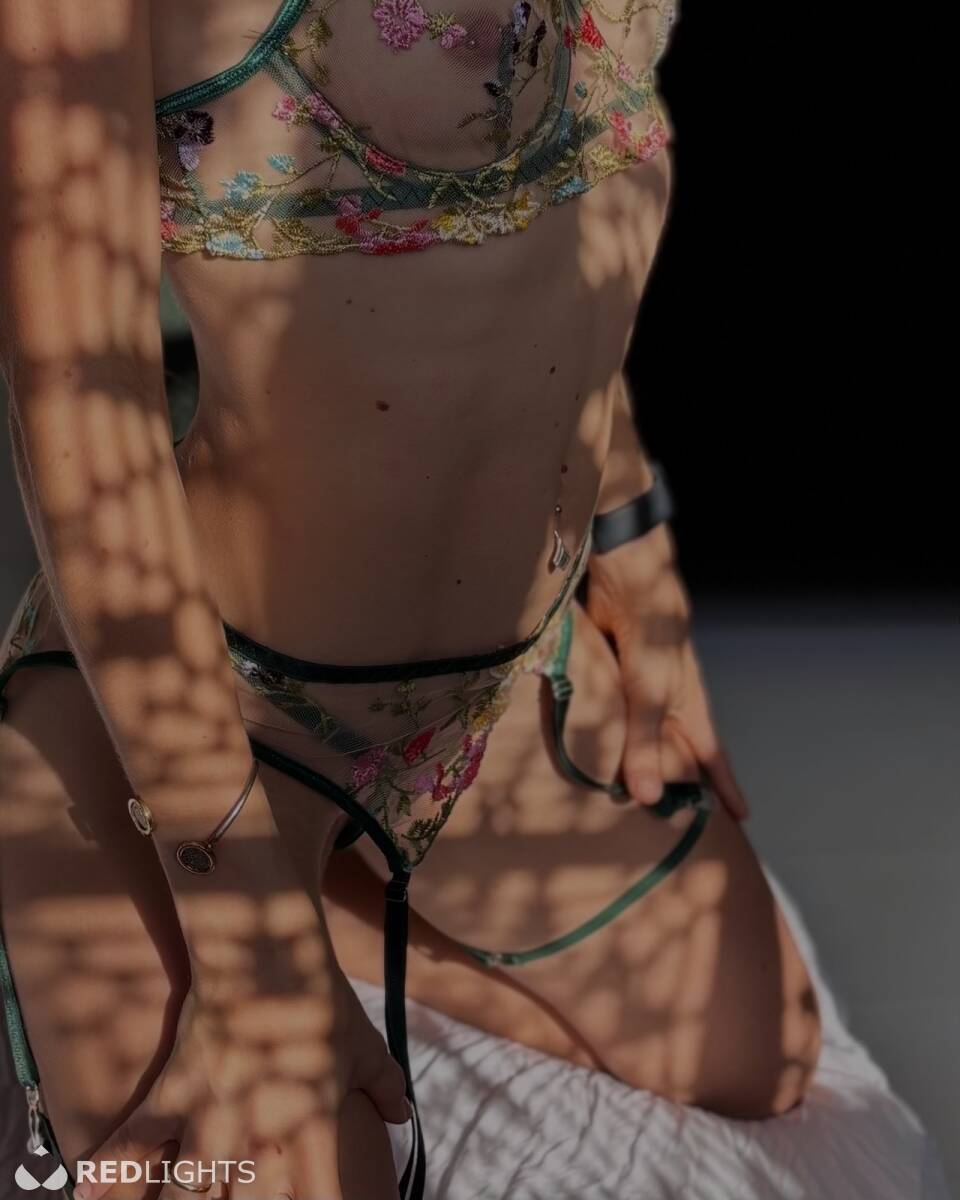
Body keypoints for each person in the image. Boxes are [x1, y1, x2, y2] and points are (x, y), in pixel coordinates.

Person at [0, 2, 821, 1198]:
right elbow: (80, 404)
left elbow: (561, 220)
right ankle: (188, 894)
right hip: (211, 725)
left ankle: (336, 902)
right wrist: (245, 942)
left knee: (761, 1049)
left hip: (500, 702)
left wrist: (633, 541)